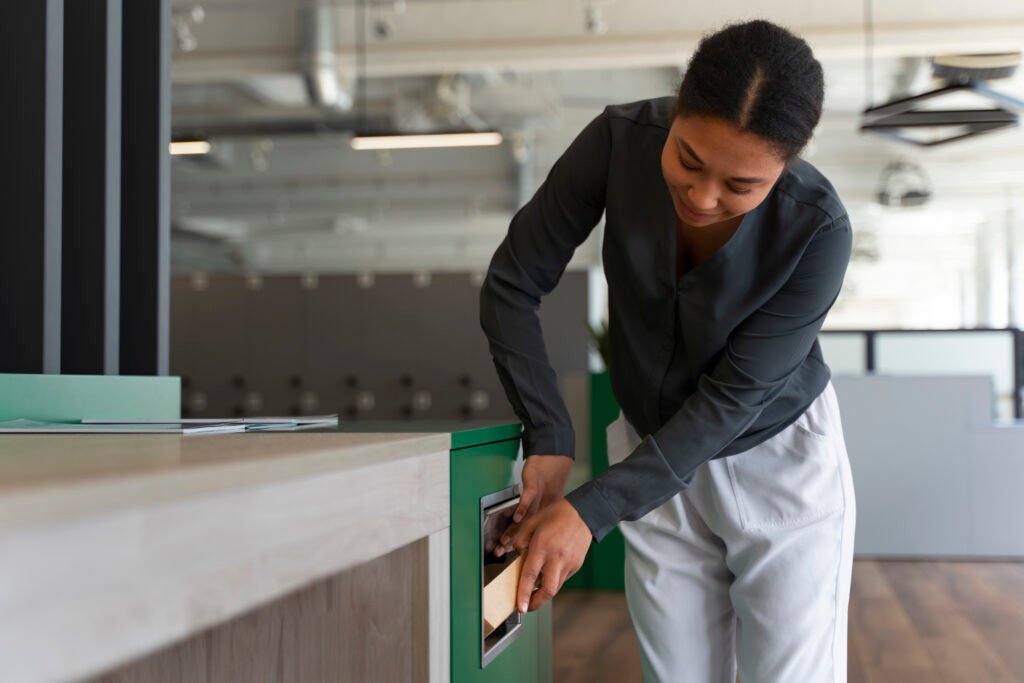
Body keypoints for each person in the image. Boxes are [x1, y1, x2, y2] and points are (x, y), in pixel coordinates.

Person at [479, 19, 856, 683]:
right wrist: (550, 433)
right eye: (688, 159)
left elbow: (729, 402)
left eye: (741, 186)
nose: (702, 197)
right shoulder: (619, 140)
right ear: (679, 103)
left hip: (773, 457)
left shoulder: (818, 230)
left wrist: (592, 510)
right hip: (648, 452)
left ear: (786, 166)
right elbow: (512, 284)